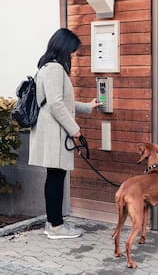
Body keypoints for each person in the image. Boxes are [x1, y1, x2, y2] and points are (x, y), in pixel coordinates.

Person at [28, 28, 101, 239]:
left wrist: (87, 107)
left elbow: (62, 102)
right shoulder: (54, 69)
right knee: (56, 177)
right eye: (72, 51)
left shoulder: (49, 67)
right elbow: (56, 104)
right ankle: (56, 227)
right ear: (64, 47)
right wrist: (74, 129)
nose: (73, 55)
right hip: (52, 132)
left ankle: (54, 223)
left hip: (53, 130)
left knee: (55, 176)